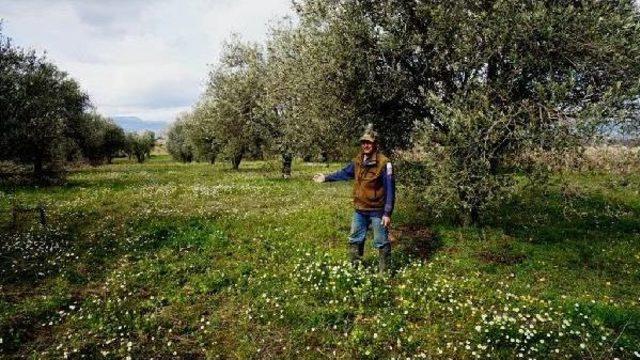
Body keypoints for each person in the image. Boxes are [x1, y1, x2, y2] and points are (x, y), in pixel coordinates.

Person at [313, 124, 395, 274]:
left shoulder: (384, 163)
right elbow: (344, 173)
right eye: (363, 142)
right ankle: (354, 271)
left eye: (369, 142)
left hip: (378, 210)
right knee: (354, 239)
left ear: (375, 143)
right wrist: (326, 177)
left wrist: (387, 213)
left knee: (381, 241)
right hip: (360, 209)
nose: (365, 145)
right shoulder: (358, 161)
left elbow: (390, 190)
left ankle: (385, 273)